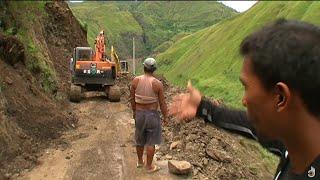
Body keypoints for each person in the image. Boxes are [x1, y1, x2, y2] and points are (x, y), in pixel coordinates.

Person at [169, 19, 320, 180]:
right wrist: (202, 108)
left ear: (280, 97)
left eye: (246, 87)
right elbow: (250, 125)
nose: (244, 100)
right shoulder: (295, 141)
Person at [130, 58, 168, 173]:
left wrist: (134, 112)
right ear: (154, 69)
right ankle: (149, 167)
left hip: (139, 114)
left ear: (144, 68)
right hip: (152, 115)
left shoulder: (135, 81)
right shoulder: (157, 84)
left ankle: (140, 162)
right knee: (151, 142)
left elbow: (132, 99)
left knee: (139, 139)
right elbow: (162, 103)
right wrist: (166, 116)